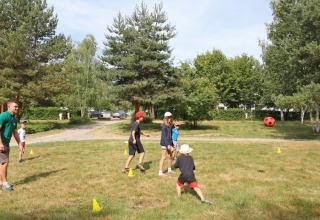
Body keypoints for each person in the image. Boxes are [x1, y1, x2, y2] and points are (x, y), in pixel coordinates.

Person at [0, 100, 23, 191]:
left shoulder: (13, 118)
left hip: (6, 143)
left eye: (17, 107)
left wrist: (20, 144)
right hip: (2, 143)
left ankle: (1, 182)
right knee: (5, 163)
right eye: (15, 107)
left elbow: (15, 132)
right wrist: (0, 143)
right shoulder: (3, 116)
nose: (17, 108)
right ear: (8, 107)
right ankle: (5, 183)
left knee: (3, 162)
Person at [159, 112, 175, 177]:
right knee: (164, 157)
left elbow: (170, 136)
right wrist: (167, 145)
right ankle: (160, 172)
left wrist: (172, 144)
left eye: (171, 117)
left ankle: (169, 169)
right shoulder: (164, 126)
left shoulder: (170, 125)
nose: (170, 118)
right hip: (164, 143)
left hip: (169, 143)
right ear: (165, 118)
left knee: (170, 156)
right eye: (168, 117)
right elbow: (164, 136)